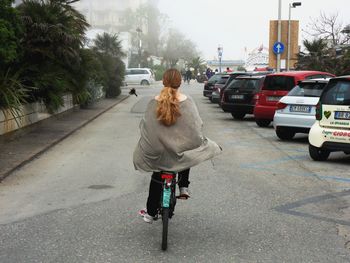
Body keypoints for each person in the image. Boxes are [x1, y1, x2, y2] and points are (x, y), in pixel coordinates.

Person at [133, 68, 222, 223]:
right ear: (180, 82)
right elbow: (196, 126)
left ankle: (150, 213)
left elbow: (145, 126)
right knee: (186, 153)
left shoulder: (153, 102)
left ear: (163, 81)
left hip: (159, 151)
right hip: (178, 152)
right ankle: (183, 187)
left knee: (156, 177)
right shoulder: (187, 101)